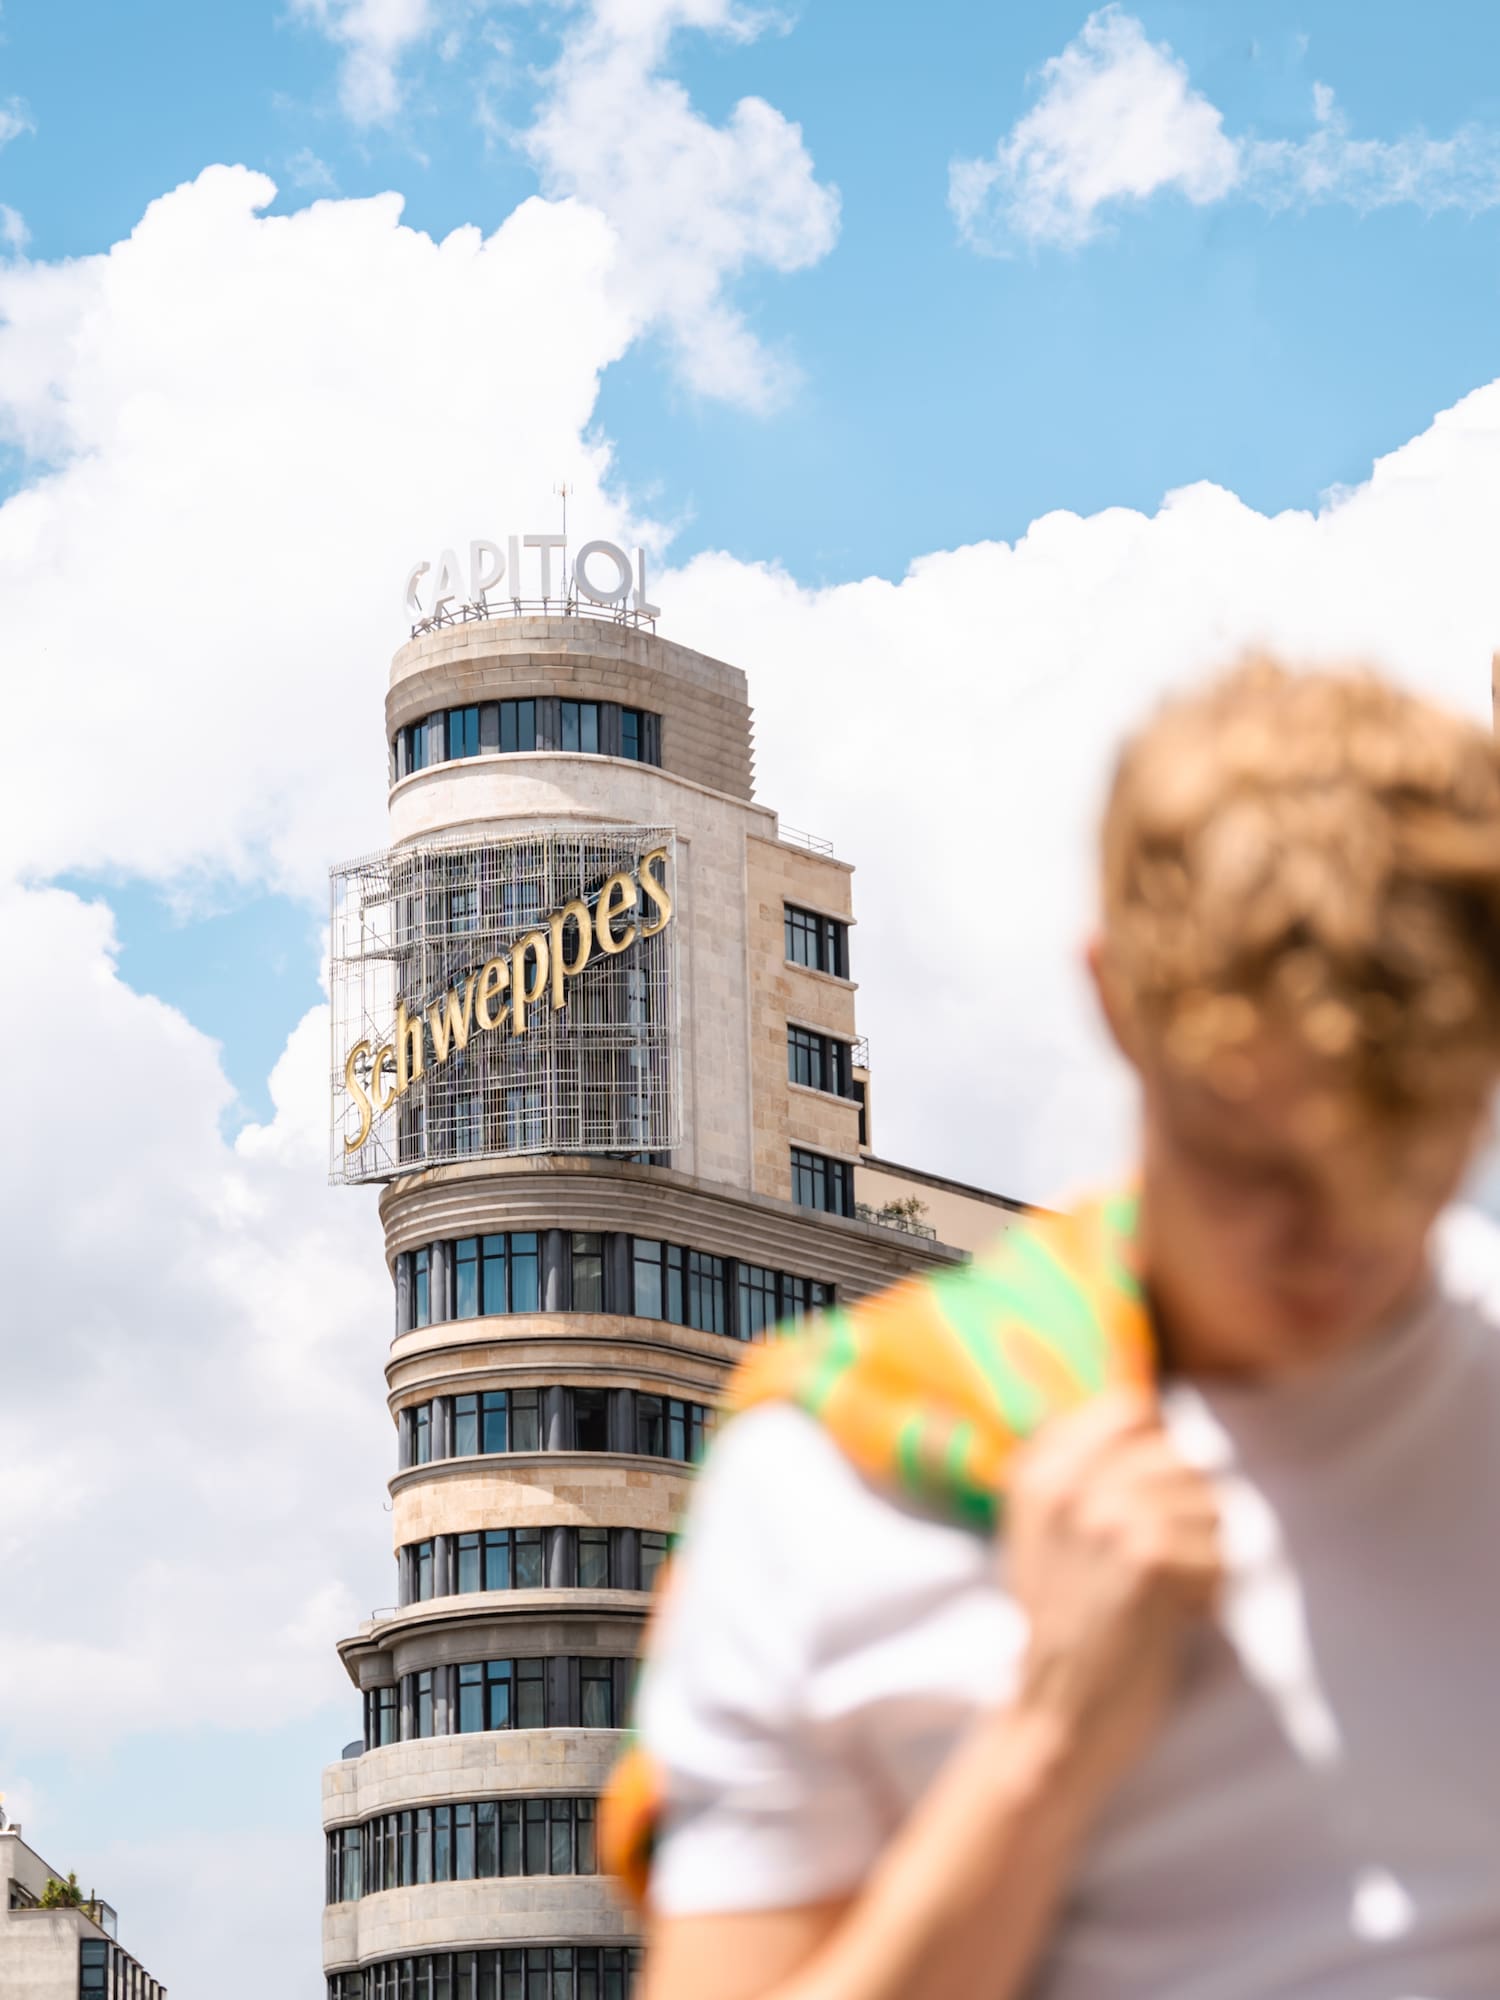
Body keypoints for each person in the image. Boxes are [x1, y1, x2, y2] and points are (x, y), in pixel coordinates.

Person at [612, 656, 1500, 1999]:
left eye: (1406, 1159)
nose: (1330, 1238)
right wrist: (1048, 1743)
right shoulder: (846, 1468)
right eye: (1253, 1164)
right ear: (1117, 997)